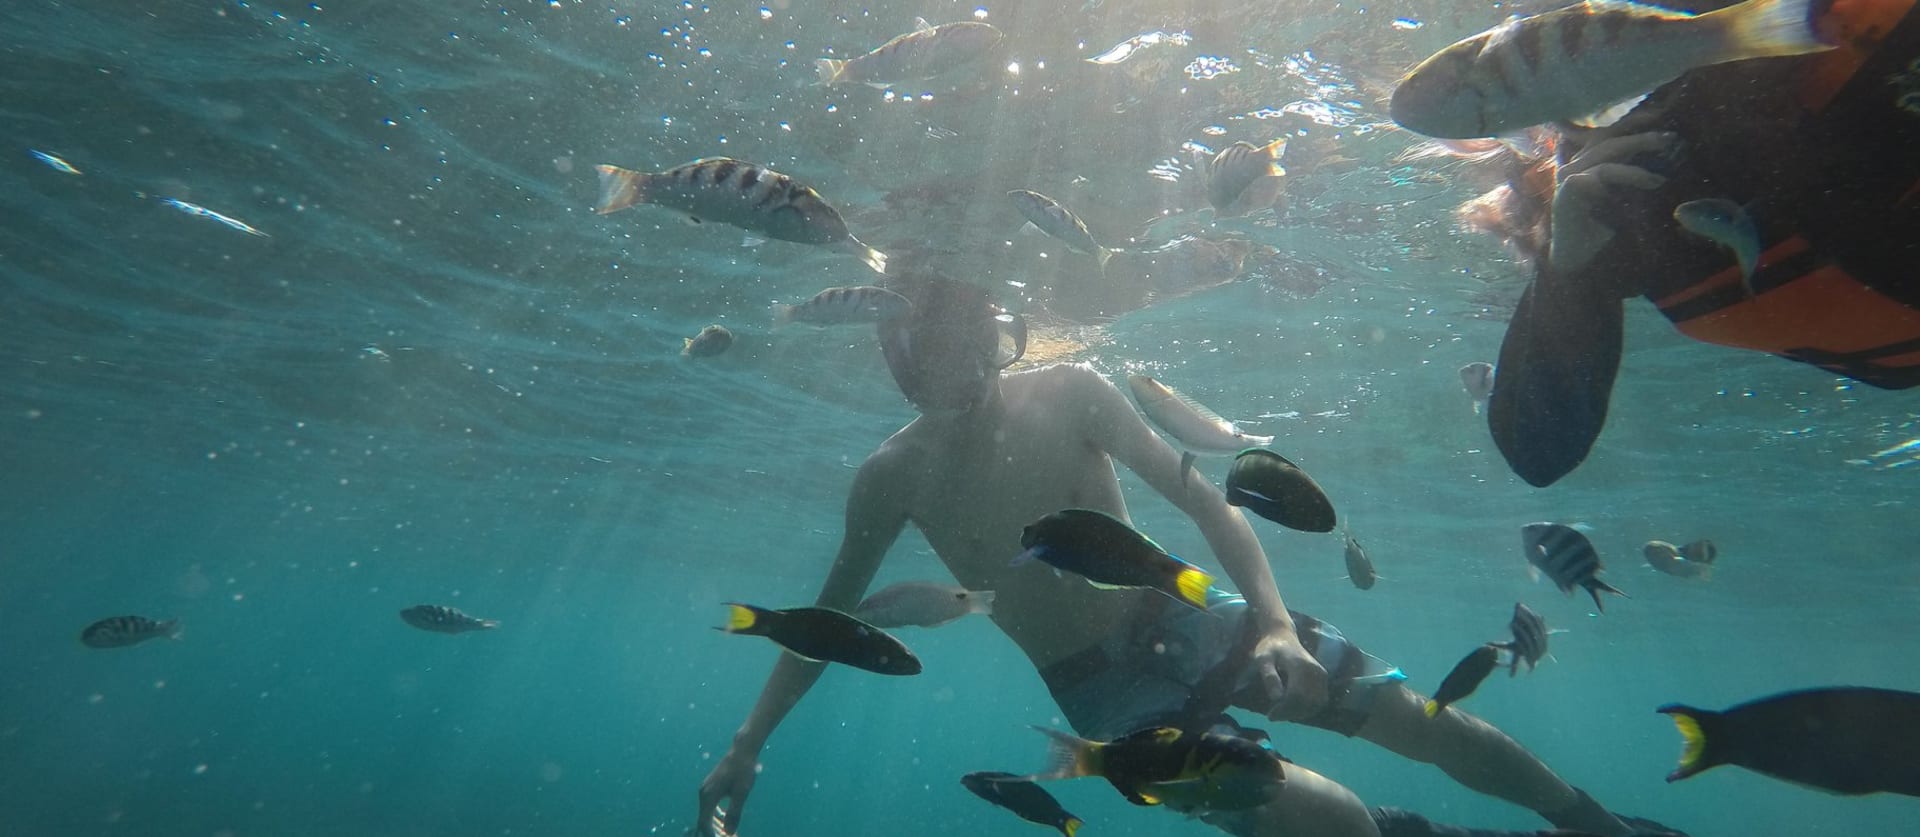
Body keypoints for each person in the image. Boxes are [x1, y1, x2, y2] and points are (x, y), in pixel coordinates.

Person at [693, 274, 1666, 837]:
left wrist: (1276, 625)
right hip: (1102, 695)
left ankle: (1598, 826)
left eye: (961, 349)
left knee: (1419, 719)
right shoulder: (890, 477)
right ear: (896, 362)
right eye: (917, 360)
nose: (946, 377)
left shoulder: (1072, 392)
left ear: (992, 337)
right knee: (1327, 820)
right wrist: (745, 743)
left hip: (1187, 615)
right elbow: (825, 624)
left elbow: (1207, 501)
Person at [1475, 0, 1920, 487]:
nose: (1608, 97)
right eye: (1562, 100)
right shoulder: (1617, 219)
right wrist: (1569, 267)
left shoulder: (1801, 51)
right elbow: (1536, 449)